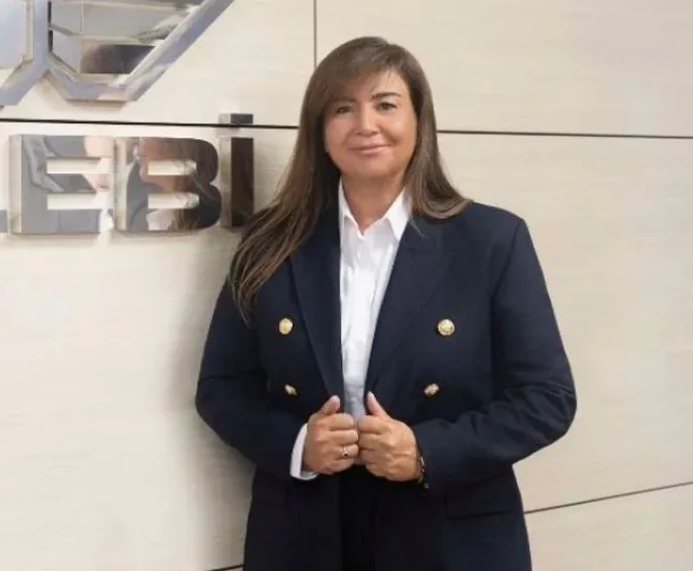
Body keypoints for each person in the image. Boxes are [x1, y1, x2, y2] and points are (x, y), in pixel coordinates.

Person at [194, 37, 576, 571]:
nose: (365, 125)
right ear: (319, 131)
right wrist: (298, 445)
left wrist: (426, 452)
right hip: (306, 534)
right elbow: (220, 386)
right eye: (343, 108)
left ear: (420, 122)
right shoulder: (270, 241)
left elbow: (546, 398)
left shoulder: (491, 240)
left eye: (386, 104)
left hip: (446, 534)